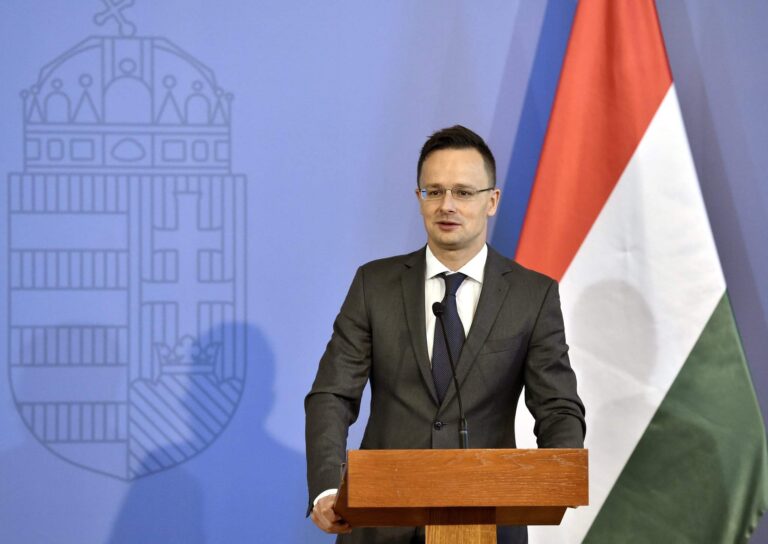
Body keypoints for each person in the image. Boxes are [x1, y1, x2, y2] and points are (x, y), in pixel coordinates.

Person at [305, 125, 585, 544]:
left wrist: (559, 474)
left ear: (492, 201)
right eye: (433, 191)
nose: (446, 205)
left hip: (488, 521)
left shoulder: (533, 295)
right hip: (381, 523)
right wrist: (328, 486)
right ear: (419, 198)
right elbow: (332, 394)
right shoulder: (374, 285)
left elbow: (557, 406)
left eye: (463, 192)